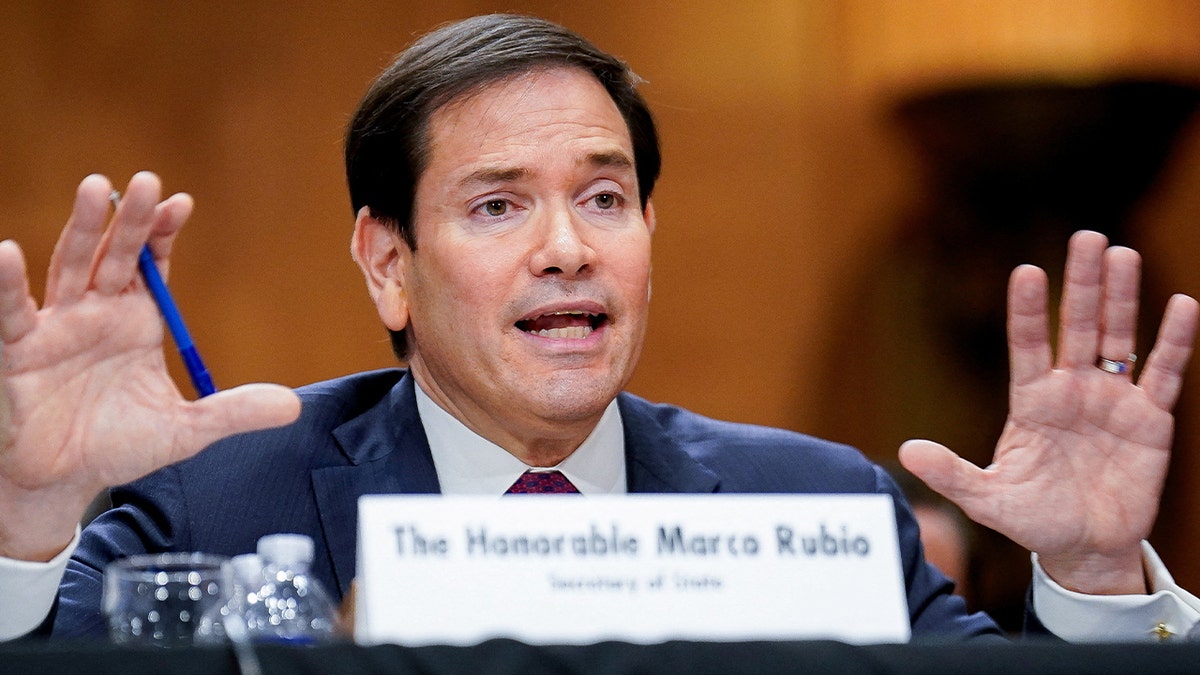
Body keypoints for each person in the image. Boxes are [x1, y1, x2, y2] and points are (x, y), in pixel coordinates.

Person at [1, 13, 1199, 642]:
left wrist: (1093, 578)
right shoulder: (217, 502)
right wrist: (29, 522)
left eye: (606, 198)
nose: (568, 246)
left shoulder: (814, 505)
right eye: (498, 205)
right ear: (388, 265)